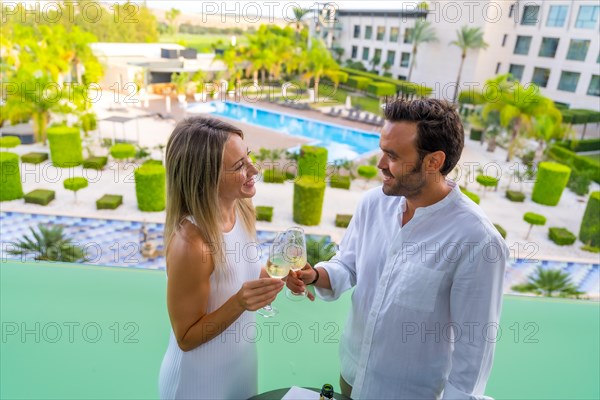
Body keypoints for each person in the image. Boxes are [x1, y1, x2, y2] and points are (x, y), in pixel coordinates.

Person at [288, 99, 508, 399]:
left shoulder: (478, 241)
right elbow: (348, 266)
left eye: (392, 155)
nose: (379, 163)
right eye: (382, 150)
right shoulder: (372, 204)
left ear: (433, 162)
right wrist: (315, 274)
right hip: (351, 377)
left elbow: (475, 350)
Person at [158, 117, 284, 399]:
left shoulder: (241, 208)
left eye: (248, 156)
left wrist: (275, 277)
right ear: (206, 177)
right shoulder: (191, 244)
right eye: (239, 166)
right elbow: (186, 337)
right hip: (198, 385)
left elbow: (239, 276)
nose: (254, 169)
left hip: (239, 371)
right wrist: (241, 302)